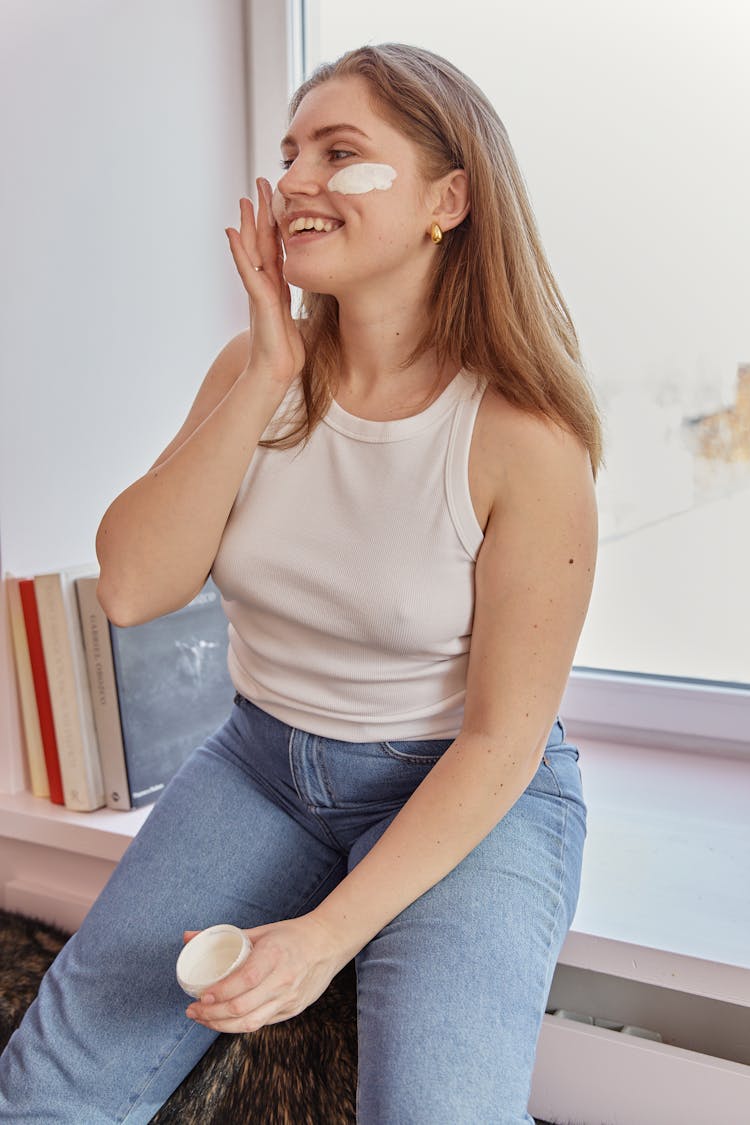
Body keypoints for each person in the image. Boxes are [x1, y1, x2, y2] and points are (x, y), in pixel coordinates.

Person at [0, 43, 600, 1124]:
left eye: (340, 151)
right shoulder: (249, 370)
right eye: (290, 154)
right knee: (51, 1086)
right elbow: (131, 589)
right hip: (262, 761)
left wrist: (326, 940)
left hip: (461, 787)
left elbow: (502, 740)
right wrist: (270, 371)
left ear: (447, 199)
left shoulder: (525, 442)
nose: (298, 181)